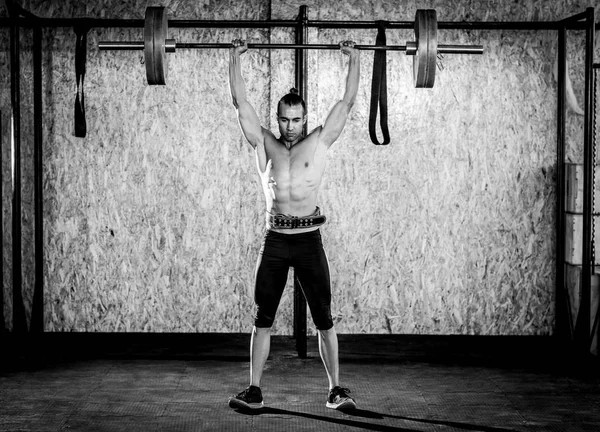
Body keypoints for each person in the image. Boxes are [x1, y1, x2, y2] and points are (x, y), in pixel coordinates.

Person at [227, 38, 360, 411]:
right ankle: (254, 390)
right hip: (275, 241)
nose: (290, 127)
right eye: (284, 119)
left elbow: (347, 103)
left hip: (307, 241)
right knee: (262, 318)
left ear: (305, 118)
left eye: (296, 119)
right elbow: (240, 103)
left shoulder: (318, 142)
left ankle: (336, 390)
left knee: (324, 318)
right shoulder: (263, 145)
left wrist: (355, 60)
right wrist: (233, 59)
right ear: (277, 118)